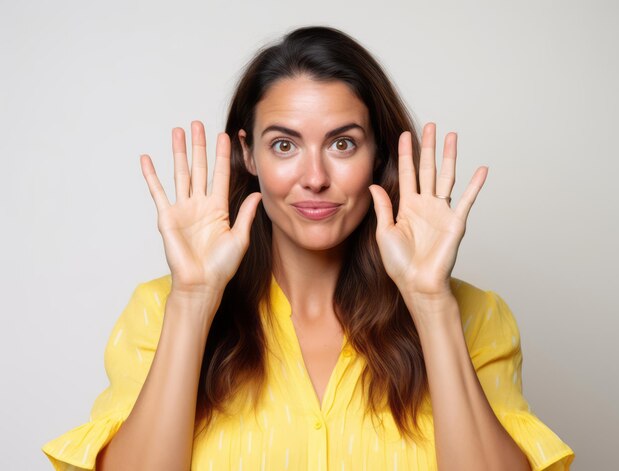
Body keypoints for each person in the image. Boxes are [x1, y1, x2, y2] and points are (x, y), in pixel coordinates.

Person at [42, 26, 575, 470]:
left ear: (378, 154)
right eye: (284, 145)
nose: (315, 178)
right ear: (248, 155)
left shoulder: (476, 318)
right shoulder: (157, 314)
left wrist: (431, 305)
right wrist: (193, 301)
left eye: (343, 143)